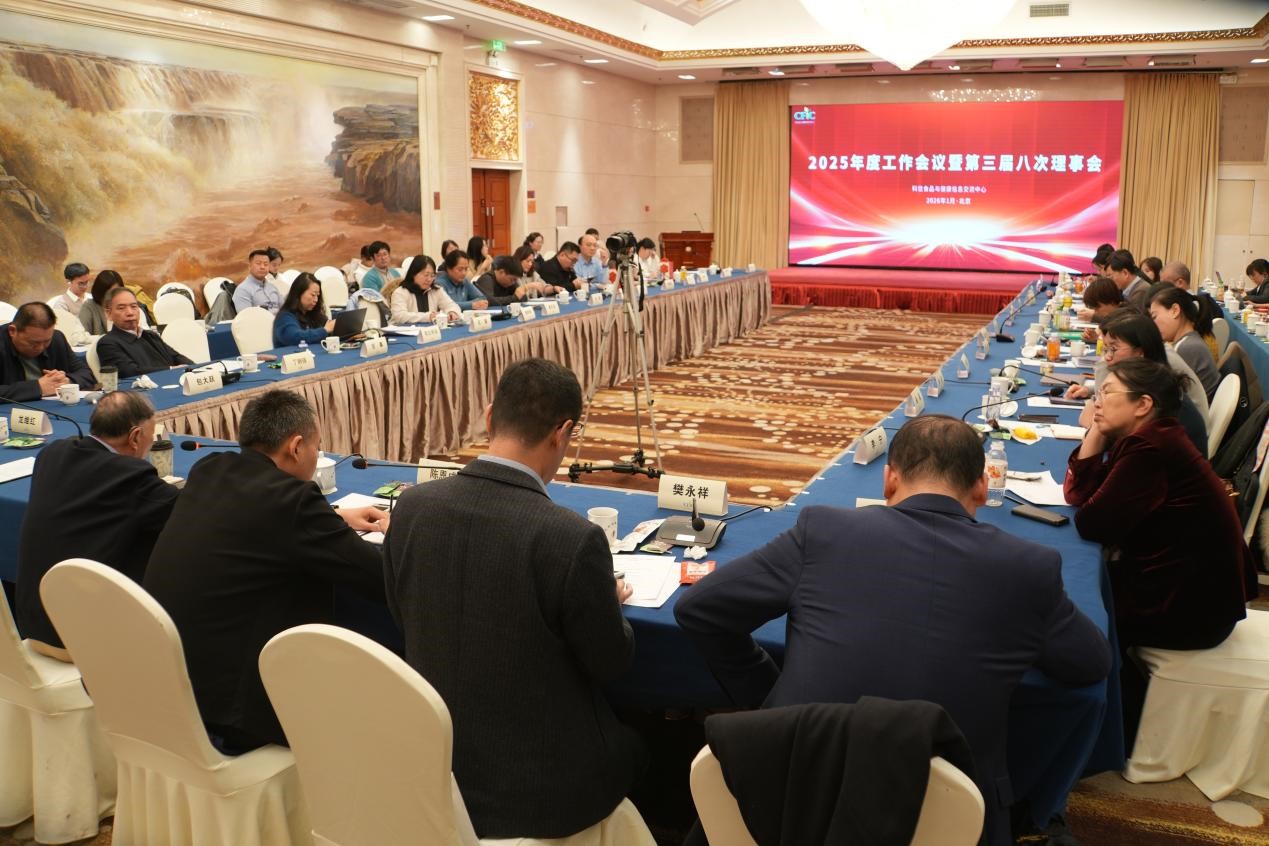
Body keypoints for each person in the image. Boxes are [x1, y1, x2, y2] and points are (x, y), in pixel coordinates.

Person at [674, 415, 1111, 846]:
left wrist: (768, 698)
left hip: (784, 792)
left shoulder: (824, 530)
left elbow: (701, 608)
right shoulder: (1028, 566)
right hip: (947, 813)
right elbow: (1090, 664)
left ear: (889, 480)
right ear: (982, 487)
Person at [383, 359, 643, 840]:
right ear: (562, 433)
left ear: (489, 417)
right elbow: (610, 662)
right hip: (541, 794)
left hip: (432, 768)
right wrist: (609, 604)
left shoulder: (414, 507)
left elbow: (403, 615)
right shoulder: (571, 538)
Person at [143, 390, 389, 752]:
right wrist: (401, 531)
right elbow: (381, 579)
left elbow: (254, 517)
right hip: (231, 715)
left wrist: (334, 516)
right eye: (317, 447)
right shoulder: (294, 502)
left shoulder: (209, 469)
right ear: (296, 447)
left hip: (164, 688)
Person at [1064, 358, 1257, 741]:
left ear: (1143, 404)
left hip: (1190, 609)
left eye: (1107, 393)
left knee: (1075, 608)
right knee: (1078, 589)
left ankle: (1105, 727)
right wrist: (1098, 431)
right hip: (1189, 588)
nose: (1096, 401)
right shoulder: (1154, 436)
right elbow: (1081, 496)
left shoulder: (1150, 448)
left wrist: (1096, 433)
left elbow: (1092, 522)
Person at [15, 391, 178, 660]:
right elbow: (186, 513)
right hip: (86, 643)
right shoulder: (132, 478)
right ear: (135, 436)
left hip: (31, 626)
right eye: (152, 436)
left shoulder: (52, 454)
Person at [1065, 311, 1209, 453]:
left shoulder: (1154, 399)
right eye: (1106, 349)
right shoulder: (1149, 382)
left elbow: (1098, 443)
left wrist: (1096, 423)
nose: (1107, 357)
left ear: (1140, 353)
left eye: (1113, 349)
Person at [0, 302, 96, 400]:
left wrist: (66, 381)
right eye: (34, 343)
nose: (41, 348)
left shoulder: (57, 339)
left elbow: (87, 374)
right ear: (12, 331)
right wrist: (38, 387)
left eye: (46, 341)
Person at [95, 287, 193, 377]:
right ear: (109, 314)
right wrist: (171, 369)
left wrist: (195, 368)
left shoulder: (150, 335)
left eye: (134, 306)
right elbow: (129, 372)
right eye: (121, 308)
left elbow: (176, 357)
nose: (130, 312)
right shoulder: (107, 343)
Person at [1149, 285, 1220, 400]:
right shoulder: (1189, 341)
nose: (1153, 324)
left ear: (1175, 311)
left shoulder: (1187, 347)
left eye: (1154, 317)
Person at [382, 254, 461, 324]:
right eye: (426, 275)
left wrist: (452, 312)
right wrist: (428, 317)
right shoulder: (400, 292)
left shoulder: (436, 290)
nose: (429, 279)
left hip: (431, 333)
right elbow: (399, 316)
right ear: (414, 273)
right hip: (404, 333)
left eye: (432, 275)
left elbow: (451, 305)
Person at [273, 272, 335, 347]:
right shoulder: (284, 317)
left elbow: (327, 328)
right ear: (299, 293)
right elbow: (296, 337)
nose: (316, 300)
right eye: (313, 295)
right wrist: (324, 330)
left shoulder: (312, 314)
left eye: (317, 296)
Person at [232, 249, 282, 314]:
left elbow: (286, 308)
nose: (262, 267)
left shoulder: (273, 287)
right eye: (258, 263)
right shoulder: (242, 290)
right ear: (249, 266)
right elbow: (246, 316)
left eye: (266, 264)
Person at [77, 269, 123, 336]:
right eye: (110, 292)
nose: (114, 295)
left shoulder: (125, 305)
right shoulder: (89, 306)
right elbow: (80, 336)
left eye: (117, 291)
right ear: (101, 291)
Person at [1107, 248, 1153, 313]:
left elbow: (1131, 318)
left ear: (1125, 273)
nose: (1110, 280)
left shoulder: (1141, 291)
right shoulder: (1129, 289)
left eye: (1111, 276)